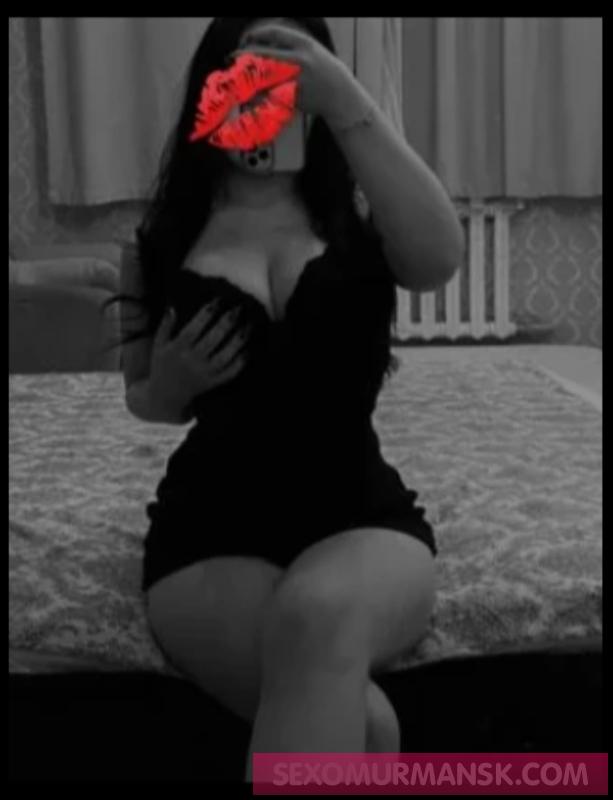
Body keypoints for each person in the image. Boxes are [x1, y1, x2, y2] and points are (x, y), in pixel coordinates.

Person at [105, 17, 464, 781]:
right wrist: (169, 385)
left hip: (362, 518)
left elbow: (438, 259)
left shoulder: (360, 219)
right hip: (209, 533)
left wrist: (346, 99)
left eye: (282, 87)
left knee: (318, 609)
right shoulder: (161, 241)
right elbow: (144, 399)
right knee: (367, 725)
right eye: (241, 83)